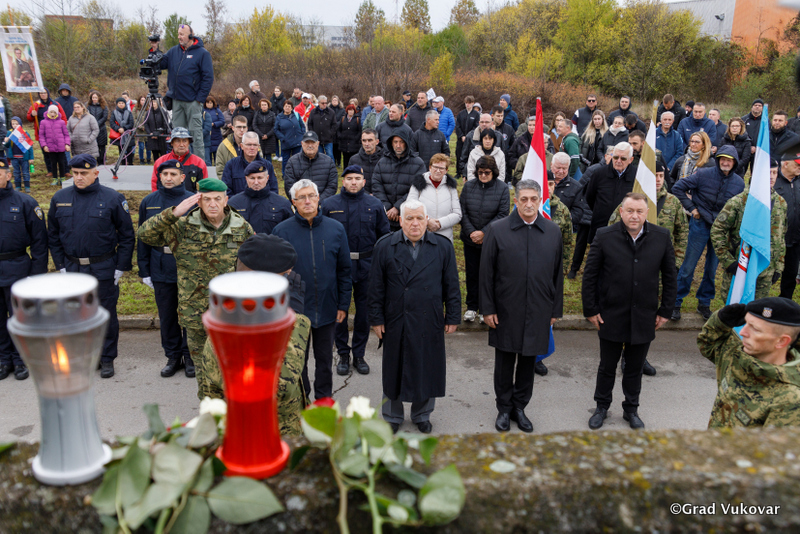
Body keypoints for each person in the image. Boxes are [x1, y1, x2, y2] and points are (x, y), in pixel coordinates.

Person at [137, 177, 254, 398]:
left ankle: (230, 409)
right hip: (195, 312)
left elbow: (252, 264)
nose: (212, 204)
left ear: (226, 200)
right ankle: (209, 409)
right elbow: (145, 234)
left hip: (230, 313)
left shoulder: (241, 227)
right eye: (207, 199)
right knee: (202, 370)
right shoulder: (183, 227)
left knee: (231, 366)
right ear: (198, 202)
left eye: (217, 199)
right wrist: (174, 213)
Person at [201, 234, 312, 435]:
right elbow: (280, 387)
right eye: (285, 277)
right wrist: (294, 319)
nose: (290, 282)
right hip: (261, 438)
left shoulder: (244, 316)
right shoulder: (235, 332)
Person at [583, 193, 677, 430]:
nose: (634, 216)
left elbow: (670, 277)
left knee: (634, 368)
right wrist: (591, 309)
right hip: (611, 314)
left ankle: (631, 409)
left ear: (646, 213)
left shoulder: (662, 236)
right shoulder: (604, 236)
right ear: (621, 212)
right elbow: (590, 276)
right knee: (607, 366)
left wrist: (666, 310)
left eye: (639, 211)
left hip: (645, 315)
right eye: (630, 211)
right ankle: (601, 407)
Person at [369, 199, 460, 433]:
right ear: (401, 221)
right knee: (393, 368)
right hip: (395, 318)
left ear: (427, 220)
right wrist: (376, 319)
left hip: (429, 318)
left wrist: (452, 316)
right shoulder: (385, 246)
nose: (415, 223)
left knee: (427, 367)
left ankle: (422, 414)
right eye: (409, 218)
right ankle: (392, 415)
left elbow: (451, 284)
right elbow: (376, 287)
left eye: (420, 218)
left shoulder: (442, 247)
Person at [481, 179, 563, 432]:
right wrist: (488, 308)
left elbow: (557, 274)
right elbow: (486, 273)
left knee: (528, 362)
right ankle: (504, 409)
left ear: (540, 201)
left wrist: (555, 310)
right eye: (524, 199)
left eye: (533, 199)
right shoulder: (497, 230)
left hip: (539, 308)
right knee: (505, 362)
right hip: (506, 308)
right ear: (515, 201)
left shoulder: (552, 231)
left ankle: (519, 407)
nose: (529, 204)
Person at [48, 154, 135, 379]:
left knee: (105, 315)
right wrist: (60, 265)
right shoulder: (60, 198)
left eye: (84, 173)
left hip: (103, 267)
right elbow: (53, 236)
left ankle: (106, 358)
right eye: (75, 173)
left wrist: (121, 266)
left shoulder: (112, 198)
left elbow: (127, 235)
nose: (79, 177)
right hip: (73, 268)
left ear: (95, 173)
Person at [273, 179, 351, 400]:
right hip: (295, 311)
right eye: (301, 197)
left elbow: (344, 270)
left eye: (311, 196)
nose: (307, 201)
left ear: (318, 198)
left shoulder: (336, 229)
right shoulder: (281, 231)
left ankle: (324, 400)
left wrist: (343, 304)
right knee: (298, 362)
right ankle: (303, 400)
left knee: (325, 361)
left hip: (327, 308)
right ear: (293, 202)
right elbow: (275, 274)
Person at [322, 165, 390, 375]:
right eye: (349, 178)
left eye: (357, 178)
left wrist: (382, 265)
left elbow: (384, 236)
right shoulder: (329, 205)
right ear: (343, 181)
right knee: (339, 311)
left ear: (364, 181)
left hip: (367, 266)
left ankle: (359, 354)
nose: (353, 182)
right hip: (338, 267)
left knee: (364, 313)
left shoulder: (374, 205)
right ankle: (343, 353)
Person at [698, 298, 800, 428]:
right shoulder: (737, 356)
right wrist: (720, 321)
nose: (742, 332)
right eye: (746, 323)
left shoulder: (790, 399)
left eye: (755, 329)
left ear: (782, 341)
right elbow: (709, 344)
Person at [672, 146, 745, 320]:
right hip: (700, 224)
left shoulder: (739, 183)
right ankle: (676, 302)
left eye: (729, 160)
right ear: (718, 160)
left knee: (712, 269)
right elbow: (678, 187)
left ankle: (704, 303)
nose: (725, 163)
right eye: (723, 159)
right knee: (688, 266)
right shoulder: (703, 174)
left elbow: (740, 207)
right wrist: (692, 208)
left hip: (722, 231)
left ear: (734, 162)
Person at [137, 160, 195, 378]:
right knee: (168, 315)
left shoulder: (193, 201)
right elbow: (143, 237)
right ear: (159, 177)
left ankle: (190, 356)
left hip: (188, 266)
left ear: (182, 177)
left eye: (173, 174)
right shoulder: (149, 201)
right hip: (160, 264)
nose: (168, 178)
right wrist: (144, 270)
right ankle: (173, 356)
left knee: (190, 315)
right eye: (164, 174)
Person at [0, 156, 47, 381]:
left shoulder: (25, 203)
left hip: (17, 269)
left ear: (9, 175)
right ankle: (3, 359)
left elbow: (39, 241)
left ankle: (20, 360)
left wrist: (36, 275)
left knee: (20, 318)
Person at [712, 159, 786, 300]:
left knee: (757, 310)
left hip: (765, 270)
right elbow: (717, 231)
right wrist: (728, 261)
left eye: (775, 173)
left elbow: (781, 237)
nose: (771, 177)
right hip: (741, 267)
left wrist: (778, 266)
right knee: (735, 309)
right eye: (768, 173)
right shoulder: (738, 202)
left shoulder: (780, 203)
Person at [460, 155, 510, 324]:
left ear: (493, 172)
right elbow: (462, 212)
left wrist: (484, 233)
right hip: (470, 240)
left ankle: (486, 308)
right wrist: (471, 233)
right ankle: (472, 306)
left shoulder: (502, 188)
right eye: (480, 172)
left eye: (487, 173)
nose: (483, 176)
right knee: (472, 273)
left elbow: (503, 214)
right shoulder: (469, 187)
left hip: (491, 240)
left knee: (489, 274)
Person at [158, 23, 214, 160]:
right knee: (177, 136)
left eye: (182, 34)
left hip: (193, 101)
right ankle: (178, 164)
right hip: (177, 100)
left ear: (190, 35)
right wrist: (155, 50)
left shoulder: (202, 53)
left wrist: (199, 99)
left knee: (196, 135)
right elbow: (161, 64)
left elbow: (208, 78)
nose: (179, 37)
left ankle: (199, 165)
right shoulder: (173, 51)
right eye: (178, 34)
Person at [372, 130, 427, 231]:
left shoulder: (418, 163)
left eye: (401, 142)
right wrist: (388, 208)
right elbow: (376, 185)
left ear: (406, 143)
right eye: (395, 142)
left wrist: (398, 207)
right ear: (391, 143)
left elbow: (417, 188)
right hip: (386, 215)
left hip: (409, 216)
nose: (398, 145)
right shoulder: (382, 162)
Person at [585, 142, 637, 243]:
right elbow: (590, 197)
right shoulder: (599, 174)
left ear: (630, 160)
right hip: (601, 226)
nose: (618, 161)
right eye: (615, 157)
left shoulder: (637, 177)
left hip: (627, 229)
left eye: (623, 158)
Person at [407, 153, 461, 242]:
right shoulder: (418, 184)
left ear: (446, 170)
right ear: (430, 167)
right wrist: (427, 222)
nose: (438, 171)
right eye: (435, 167)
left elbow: (457, 214)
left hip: (445, 237)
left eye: (441, 168)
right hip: (422, 236)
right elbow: (410, 208)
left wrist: (440, 224)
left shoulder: (451, 187)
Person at [228, 160, 293, 234]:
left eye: (260, 178)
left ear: (267, 178)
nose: (256, 182)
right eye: (252, 178)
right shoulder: (233, 204)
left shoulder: (282, 204)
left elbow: (290, 232)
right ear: (246, 179)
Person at [282, 131, 338, 200]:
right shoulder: (292, 162)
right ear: (302, 144)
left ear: (318, 144)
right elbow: (289, 187)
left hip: (322, 204)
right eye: (307, 143)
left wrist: (317, 201)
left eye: (313, 142)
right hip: (300, 204)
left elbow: (332, 186)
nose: (310, 145)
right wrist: (303, 202)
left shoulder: (329, 162)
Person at [775, 144, 800, 299]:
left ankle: (785, 302)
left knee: (790, 275)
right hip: (776, 240)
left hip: (795, 240)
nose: (799, 168)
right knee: (769, 275)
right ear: (785, 164)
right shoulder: (773, 181)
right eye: (796, 165)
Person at [150, 127, 208, 193]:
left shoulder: (199, 163)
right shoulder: (161, 162)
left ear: (189, 142)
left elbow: (204, 188)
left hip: (192, 199)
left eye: (184, 141)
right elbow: (155, 185)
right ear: (171, 143)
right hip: (166, 199)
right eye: (177, 141)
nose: (181, 145)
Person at [221, 132, 276, 196]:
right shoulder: (231, 165)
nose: (252, 148)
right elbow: (226, 190)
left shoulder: (267, 165)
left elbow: (273, 190)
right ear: (242, 146)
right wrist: (236, 201)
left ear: (258, 147)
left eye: (255, 145)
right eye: (249, 145)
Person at [27, 89, 66, 177]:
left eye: (44, 93)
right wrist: (32, 115)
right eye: (41, 93)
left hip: (57, 133)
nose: (43, 94)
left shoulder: (55, 104)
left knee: (61, 153)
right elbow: (29, 118)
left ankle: (65, 171)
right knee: (46, 153)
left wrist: (63, 130)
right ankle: (51, 170)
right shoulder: (35, 105)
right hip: (42, 132)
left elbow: (63, 117)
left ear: (48, 93)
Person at [39, 105, 71, 185]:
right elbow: (41, 136)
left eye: (54, 112)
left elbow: (66, 135)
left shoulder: (61, 122)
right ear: (48, 112)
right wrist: (44, 145)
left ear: (57, 113)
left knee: (61, 162)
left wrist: (67, 144)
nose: (52, 114)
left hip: (61, 146)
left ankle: (62, 178)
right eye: (51, 112)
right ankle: (55, 178)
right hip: (50, 147)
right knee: (53, 163)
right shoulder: (43, 122)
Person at [274, 100, 306, 171]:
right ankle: (285, 174)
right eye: (286, 106)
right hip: (286, 142)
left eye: (289, 106)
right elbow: (276, 129)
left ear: (292, 108)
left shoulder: (296, 115)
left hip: (297, 142)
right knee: (286, 161)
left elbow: (302, 126)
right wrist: (282, 138)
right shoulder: (279, 117)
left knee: (297, 160)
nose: (287, 108)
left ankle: (297, 174)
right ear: (283, 107)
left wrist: (302, 134)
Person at [4, 117, 33, 192]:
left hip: (24, 157)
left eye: (16, 124)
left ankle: (27, 186)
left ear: (20, 124)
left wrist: (31, 157)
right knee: (16, 172)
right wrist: (6, 141)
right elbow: (7, 146)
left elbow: (29, 146)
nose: (15, 125)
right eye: (13, 124)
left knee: (25, 172)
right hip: (14, 157)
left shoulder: (25, 133)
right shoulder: (10, 133)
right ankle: (18, 186)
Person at [348, 128, 381, 193]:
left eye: (370, 140)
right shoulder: (354, 160)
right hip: (360, 196)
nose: (367, 144)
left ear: (377, 142)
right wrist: (366, 196)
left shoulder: (385, 159)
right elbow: (351, 183)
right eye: (364, 140)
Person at [456, 96, 480, 177]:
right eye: (466, 103)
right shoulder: (461, 114)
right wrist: (461, 136)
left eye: (469, 103)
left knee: (469, 155)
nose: (467, 105)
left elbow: (476, 126)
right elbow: (458, 126)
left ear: (473, 103)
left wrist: (468, 136)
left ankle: (467, 171)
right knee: (459, 154)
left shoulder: (476, 114)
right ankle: (458, 172)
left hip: (471, 140)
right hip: (461, 140)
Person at [307, 95, 336, 159]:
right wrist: (313, 134)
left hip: (328, 139)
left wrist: (330, 133)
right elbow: (310, 124)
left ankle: (331, 165)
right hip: (317, 138)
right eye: (323, 103)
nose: (324, 104)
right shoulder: (313, 112)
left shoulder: (331, 112)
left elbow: (334, 125)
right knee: (319, 155)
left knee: (330, 155)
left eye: (326, 103)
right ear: (318, 103)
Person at [742, 99, 764, 176]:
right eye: (755, 105)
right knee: (741, 172)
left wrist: (757, 147)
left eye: (759, 105)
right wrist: (749, 146)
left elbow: (766, 136)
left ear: (762, 108)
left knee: (756, 174)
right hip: (744, 150)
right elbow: (741, 134)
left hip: (758, 151)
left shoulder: (765, 121)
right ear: (752, 107)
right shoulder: (744, 119)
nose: (757, 107)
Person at [110, 97, 134, 166]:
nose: (121, 104)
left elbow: (131, 123)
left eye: (122, 103)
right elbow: (112, 122)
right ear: (117, 104)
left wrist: (124, 128)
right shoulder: (114, 112)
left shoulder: (129, 112)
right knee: (121, 150)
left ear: (125, 104)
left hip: (128, 134)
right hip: (119, 134)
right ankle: (123, 164)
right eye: (119, 103)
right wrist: (118, 129)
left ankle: (130, 163)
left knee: (129, 149)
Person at [87, 91, 109, 163]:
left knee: (101, 147)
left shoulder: (104, 106)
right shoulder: (88, 106)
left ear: (99, 98)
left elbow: (105, 117)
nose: (94, 99)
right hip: (91, 129)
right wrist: (92, 125)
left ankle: (101, 162)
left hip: (101, 129)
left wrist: (96, 124)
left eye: (96, 97)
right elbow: (87, 116)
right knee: (92, 147)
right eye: (93, 97)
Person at [204, 97, 225, 166]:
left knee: (218, 158)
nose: (209, 104)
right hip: (206, 137)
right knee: (207, 160)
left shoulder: (217, 111)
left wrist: (214, 124)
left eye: (210, 103)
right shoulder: (203, 111)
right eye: (207, 103)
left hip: (216, 137)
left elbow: (222, 121)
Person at [135, 96, 152, 164]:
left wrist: (146, 127)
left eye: (144, 100)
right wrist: (140, 126)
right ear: (139, 101)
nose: (143, 101)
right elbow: (134, 119)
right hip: (139, 131)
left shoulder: (149, 109)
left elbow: (150, 119)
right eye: (142, 100)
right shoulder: (135, 109)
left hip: (147, 130)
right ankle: (141, 159)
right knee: (141, 146)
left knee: (148, 146)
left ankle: (148, 159)